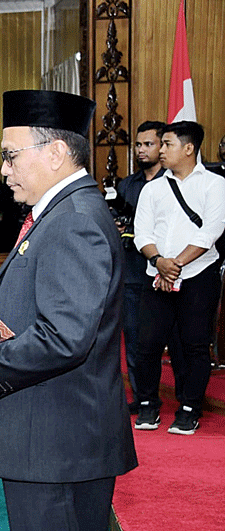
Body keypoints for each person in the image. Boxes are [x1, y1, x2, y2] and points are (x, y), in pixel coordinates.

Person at [0, 90, 137, 531]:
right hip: (53, 438)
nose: (2, 170)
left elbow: (62, 339)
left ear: (56, 153)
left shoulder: (74, 219)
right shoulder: (58, 212)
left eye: (10, 156)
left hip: (56, 443)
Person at [132, 120, 225, 435]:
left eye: (167, 144)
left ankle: (189, 408)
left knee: (195, 346)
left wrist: (176, 264)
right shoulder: (153, 188)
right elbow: (141, 233)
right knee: (147, 345)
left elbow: (211, 231)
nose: (161, 150)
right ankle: (148, 405)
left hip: (199, 276)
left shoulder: (215, 184)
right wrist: (160, 262)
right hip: (156, 276)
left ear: (188, 148)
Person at [114, 120, 166, 410]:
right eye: (138, 144)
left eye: (149, 144)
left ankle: (186, 402)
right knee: (133, 339)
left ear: (163, 146)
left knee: (177, 342)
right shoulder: (126, 185)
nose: (142, 150)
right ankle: (143, 396)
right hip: (132, 271)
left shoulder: (172, 184)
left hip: (168, 270)